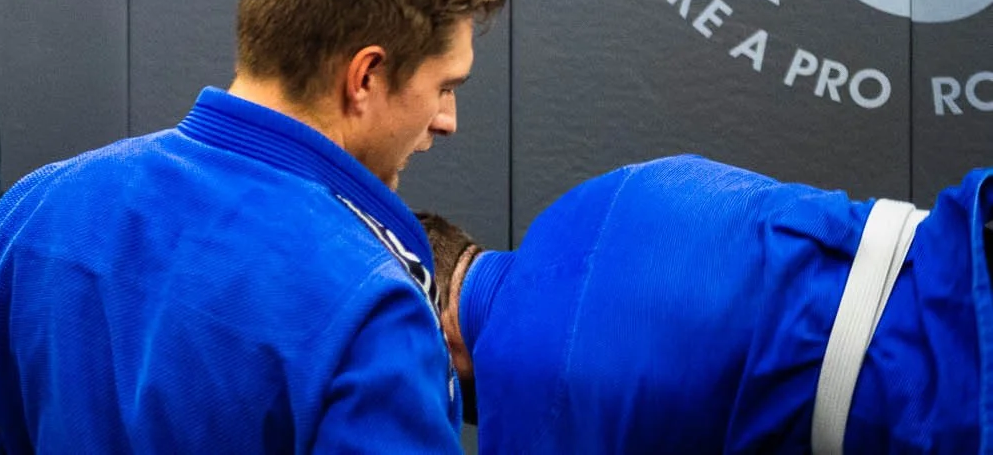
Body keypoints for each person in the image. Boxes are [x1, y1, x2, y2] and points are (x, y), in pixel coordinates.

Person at [0, 0, 506, 454]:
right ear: (366, 77)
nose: (446, 119)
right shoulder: (371, 306)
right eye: (445, 86)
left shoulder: (37, 207)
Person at [422, 157, 991, 454]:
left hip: (951, 383)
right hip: (967, 235)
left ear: (434, 334)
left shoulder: (533, 407)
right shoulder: (606, 191)